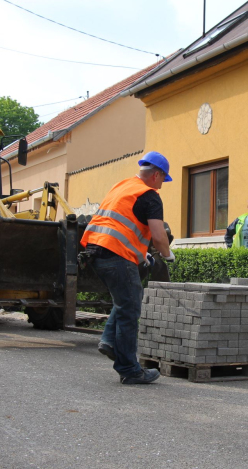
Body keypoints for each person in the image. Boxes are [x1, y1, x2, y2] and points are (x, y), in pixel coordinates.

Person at [80, 151, 175, 385]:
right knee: (131, 308)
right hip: (116, 255)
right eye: (163, 179)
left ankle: (110, 342)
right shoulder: (150, 196)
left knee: (126, 301)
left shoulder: (122, 186)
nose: (162, 185)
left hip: (95, 252)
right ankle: (130, 370)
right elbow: (159, 236)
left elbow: (124, 226)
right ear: (156, 175)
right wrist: (168, 255)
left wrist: (143, 256)